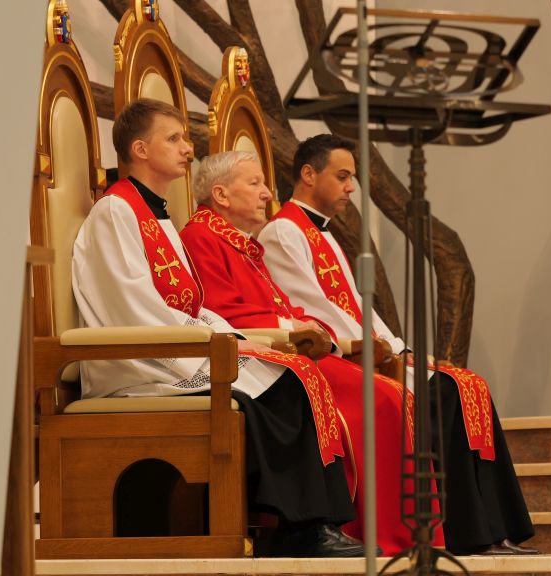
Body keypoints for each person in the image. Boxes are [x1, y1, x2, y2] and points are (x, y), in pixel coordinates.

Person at [71, 99, 363, 557]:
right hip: (136, 364)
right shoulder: (116, 211)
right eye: (174, 139)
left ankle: (308, 526)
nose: (188, 149)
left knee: (291, 375)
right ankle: (299, 529)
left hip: (171, 346)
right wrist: (210, 345)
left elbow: (192, 304)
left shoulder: (157, 216)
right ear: (141, 149)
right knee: (274, 390)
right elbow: (130, 305)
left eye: (185, 139)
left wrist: (229, 337)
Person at [259, 134, 537, 555]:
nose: (351, 187)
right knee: (444, 394)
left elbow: (358, 304)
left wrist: (396, 346)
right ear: (309, 174)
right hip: (339, 357)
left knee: (467, 386)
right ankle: (466, 534)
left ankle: (492, 530)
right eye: (342, 176)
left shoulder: (325, 234)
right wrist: (373, 348)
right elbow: (313, 305)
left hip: (368, 350)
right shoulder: (283, 230)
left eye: (352, 178)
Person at [179, 150, 441, 555]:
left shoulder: (241, 244)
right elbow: (222, 311)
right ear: (221, 194)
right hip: (253, 356)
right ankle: (372, 532)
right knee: (381, 400)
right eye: (255, 183)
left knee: (392, 396)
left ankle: (399, 533)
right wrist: (293, 328)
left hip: (282, 350)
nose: (267, 194)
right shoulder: (200, 238)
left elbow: (280, 304)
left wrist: (305, 324)